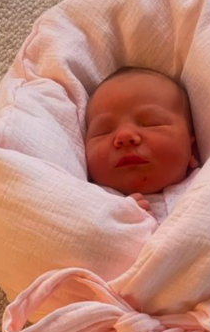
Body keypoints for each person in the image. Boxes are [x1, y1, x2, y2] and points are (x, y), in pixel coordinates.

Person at [85, 66, 200, 219]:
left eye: (151, 123)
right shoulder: (88, 199)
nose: (125, 135)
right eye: (104, 131)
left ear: (193, 149)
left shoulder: (207, 184)